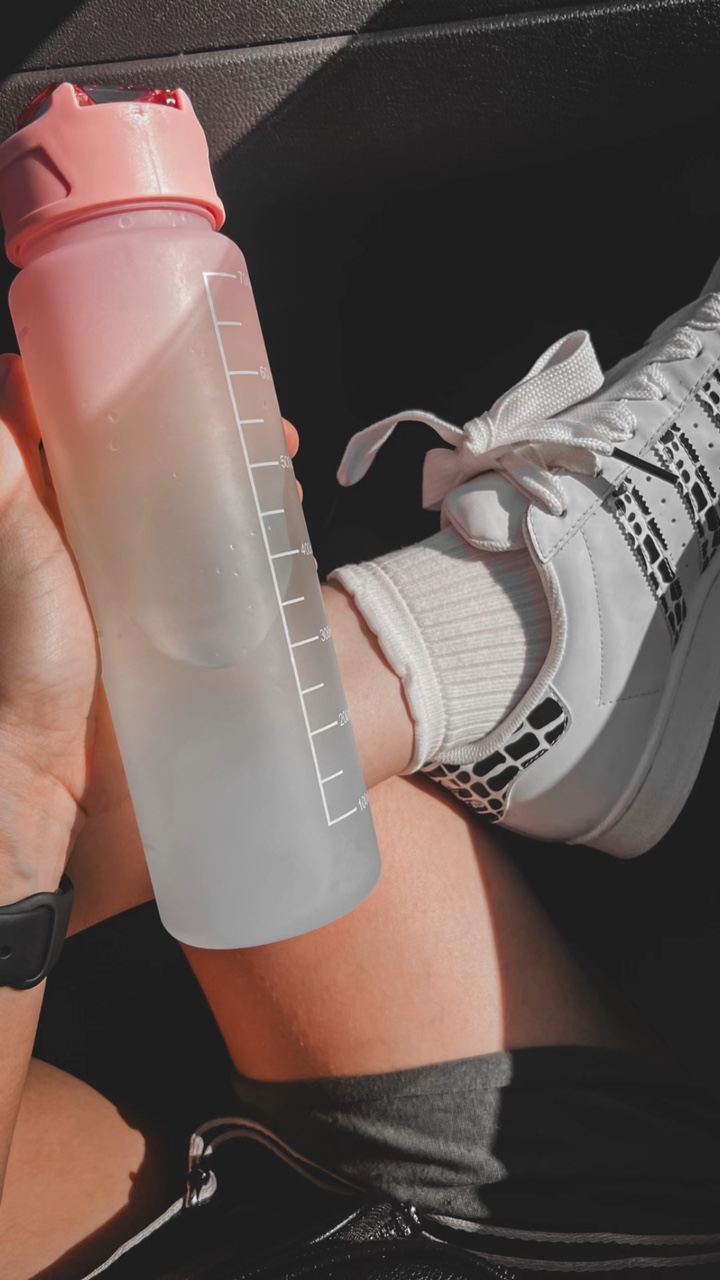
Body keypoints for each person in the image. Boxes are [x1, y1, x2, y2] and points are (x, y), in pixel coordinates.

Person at [1, 257, 720, 1280]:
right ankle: (506, 637)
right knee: (166, 679)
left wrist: (28, 769)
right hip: (569, 1232)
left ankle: (498, 650)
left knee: (145, 670)